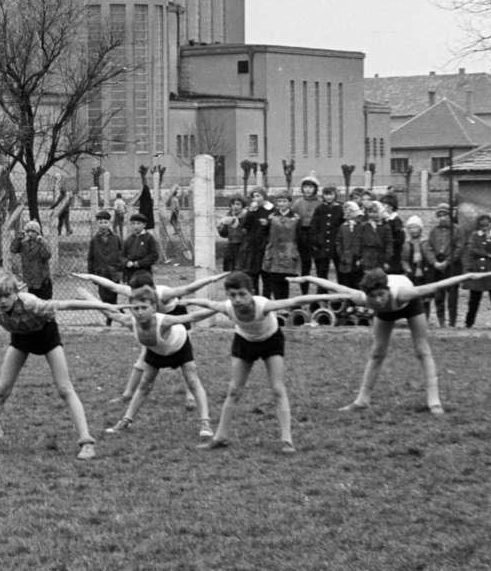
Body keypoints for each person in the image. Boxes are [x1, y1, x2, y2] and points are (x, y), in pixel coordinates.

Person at [0, 269, 118, 461]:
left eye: (7, 295)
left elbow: (66, 304)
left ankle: (87, 442)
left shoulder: (31, 303)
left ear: (16, 292)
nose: (2, 301)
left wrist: (103, 305)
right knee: (1, 390)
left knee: (65, 389)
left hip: (46, 335)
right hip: (21, 337)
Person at [182, 271, 347, 455]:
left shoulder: (264, 305)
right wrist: (187, 302)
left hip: (271, 341)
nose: (237, 299)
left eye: (242, 294)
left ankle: (287, 440)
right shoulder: (226, 307)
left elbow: (296, 301)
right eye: (232, 295)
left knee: (277, 389)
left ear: (251, 293)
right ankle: (221, 437)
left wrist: (336, 295)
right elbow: (206, 304)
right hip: (245, 342)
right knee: (234, 390)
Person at [298, 268, 481, 414]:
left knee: (422, 350)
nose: (377, 299)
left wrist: (469, 276)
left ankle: (434, 402)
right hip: (387, 312)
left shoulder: (402, 293)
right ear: (366, 295)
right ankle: (362, 400)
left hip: (409, 305)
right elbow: (334, 286)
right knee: (377, 353)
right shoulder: (363, 298)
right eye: (373, 296)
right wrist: (308, 278)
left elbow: (435, 286)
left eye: (380, 294)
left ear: (386, 290)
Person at [91, 282, 219, 440]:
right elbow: (109, 313)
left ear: (154, 307)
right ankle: (126, 421)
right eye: (135, 308)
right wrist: (88, 297)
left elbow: (192, 317)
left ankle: (205, 422)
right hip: (157, 350)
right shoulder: (129, 321)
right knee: (144, 385)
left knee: (193, 382)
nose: (139, 312)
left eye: (144, 308)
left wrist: (220, 308)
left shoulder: (164, 321)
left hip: (179, 345)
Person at [462, 214, 491, 327]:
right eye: (482, 226)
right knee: (474, 299)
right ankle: (469, 323)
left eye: (487, 225)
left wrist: (488, 239)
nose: (484, 228)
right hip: (478, 269)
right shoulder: (474, 235)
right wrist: (489, 255)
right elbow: (472, 250)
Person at [85, 210, 126, 325]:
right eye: (101, 222)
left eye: (105, 222)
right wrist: (91, 274)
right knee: (105, 298)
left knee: (112, 297)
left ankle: (110, 319)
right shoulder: (94, 240)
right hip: (101, 273)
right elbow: (90, 258)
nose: (103, 225)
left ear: (109, 223)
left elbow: (123, 255)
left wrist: (124, 271)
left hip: (114, 272)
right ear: (97, 223)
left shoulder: (116, 238)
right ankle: (122, 315)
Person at [425, 205, 461, 326]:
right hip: (437, 265)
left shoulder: (457, 230)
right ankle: (441, 321)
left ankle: (452, 322)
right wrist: (434, 262)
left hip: (452, 265)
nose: (442, 218)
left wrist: (447, 261)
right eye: (440, 216)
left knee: (452, 296)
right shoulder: (433, 231)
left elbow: (458, 248)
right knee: (439, 295)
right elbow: (428, 247)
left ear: (450, 216)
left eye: (445, 215)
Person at [262, 192, 301, 301]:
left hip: (289, 253)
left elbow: (299, 237)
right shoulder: (272, 217)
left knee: (285, 281)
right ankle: (278, 304)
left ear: (290, 203)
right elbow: (266, 234)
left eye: (284, 201)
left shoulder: (296, 218)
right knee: (274, 280)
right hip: (274, 253)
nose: (282, 204)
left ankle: (284, 304)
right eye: (279, 201)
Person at [11, 219, 54, 299]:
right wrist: (18, 238)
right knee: (32, 301)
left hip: (42, 277)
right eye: (28, 231)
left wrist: (42, 243)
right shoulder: (24, 243)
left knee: (44, 301)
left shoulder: (42, 242)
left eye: (33, 231)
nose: (30, 234)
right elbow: (13, 249)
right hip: (30, 278)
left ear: (37, 232)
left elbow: (47, 255)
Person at [309, 185, 343, 283]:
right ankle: (322, 292)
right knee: (322, 271)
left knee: (339, 271)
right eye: (326, 194)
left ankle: (340, 293)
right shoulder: (319, 209)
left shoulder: (340, 208)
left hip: (336, 243)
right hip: (322, 243)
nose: (328, 197)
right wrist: (315, 242)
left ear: (335, 195)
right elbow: (314, 226)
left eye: (331, 194)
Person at [237, 188, 272, 279]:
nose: (255, 199)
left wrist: (267, 222)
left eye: (258, 196)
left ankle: (265, 294)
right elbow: (245, 225)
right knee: (253, 274)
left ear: (264, 197)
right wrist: (251, 211)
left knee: (266, 275)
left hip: (265, 244)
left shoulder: (271, 209)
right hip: (253, 245)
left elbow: (274, 225)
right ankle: (254, 292)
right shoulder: (252, 210)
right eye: (253, 197)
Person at [293, 176, 322, 277]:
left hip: (316, 233)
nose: (308, 189)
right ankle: (304, 288)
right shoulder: (298, 203)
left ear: (315, 189)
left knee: (319, 263)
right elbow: (294, 218)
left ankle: (321, 289)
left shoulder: (320, 203)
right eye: (305, 187)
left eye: (310, 187)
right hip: (302, 233)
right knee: (305, 263)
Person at [121, 212, 159, 284]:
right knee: (132, 291)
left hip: (144, 271)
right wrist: (127, 262)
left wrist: (139, 263)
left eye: (139, 223)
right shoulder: (129, 239)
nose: (136, 226)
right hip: (131, 272)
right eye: (133, 223)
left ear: (144, 225)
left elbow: (154, 255)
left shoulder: (149, 238)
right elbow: (122, 255)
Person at [335, 201, 364, 290]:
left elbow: (363, 241)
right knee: (347, 283)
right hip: (346, 259)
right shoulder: (343, 227)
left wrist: (361, 256)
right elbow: (339, 241)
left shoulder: (361, 227)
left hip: (358, 260)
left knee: (358, 282)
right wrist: (342, 254)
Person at [381, 194, 406, 275]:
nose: (382, 207)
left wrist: (389, 241)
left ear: (391, 207)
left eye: (384, 205)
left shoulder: (396, 220)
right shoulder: (386, 219)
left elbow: (401, 239)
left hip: (394, 253)